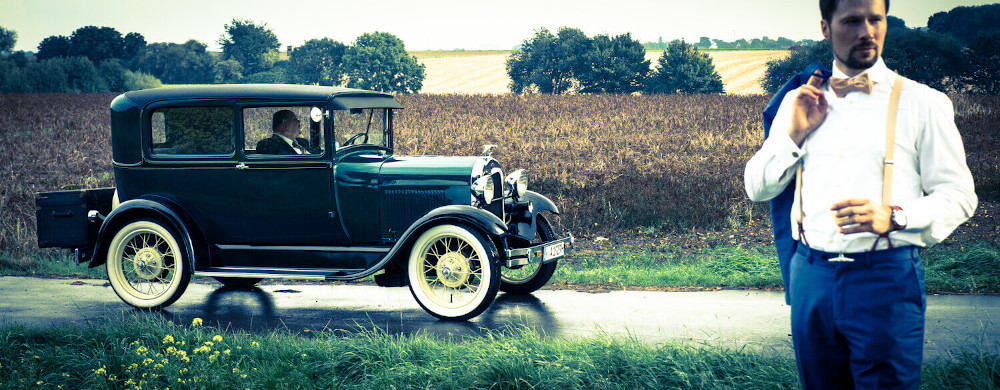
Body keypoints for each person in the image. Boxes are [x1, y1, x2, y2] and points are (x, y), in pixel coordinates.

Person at [744, 0, 977, 388]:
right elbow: (757, 187)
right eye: (852, 21)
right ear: (825, 27)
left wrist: (896, 216)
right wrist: (794, 134)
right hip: (810, 275)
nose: (866, 31)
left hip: (885, 277)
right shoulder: (796, 102)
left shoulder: (924, 104)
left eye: (875, 19)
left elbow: (960, 195)